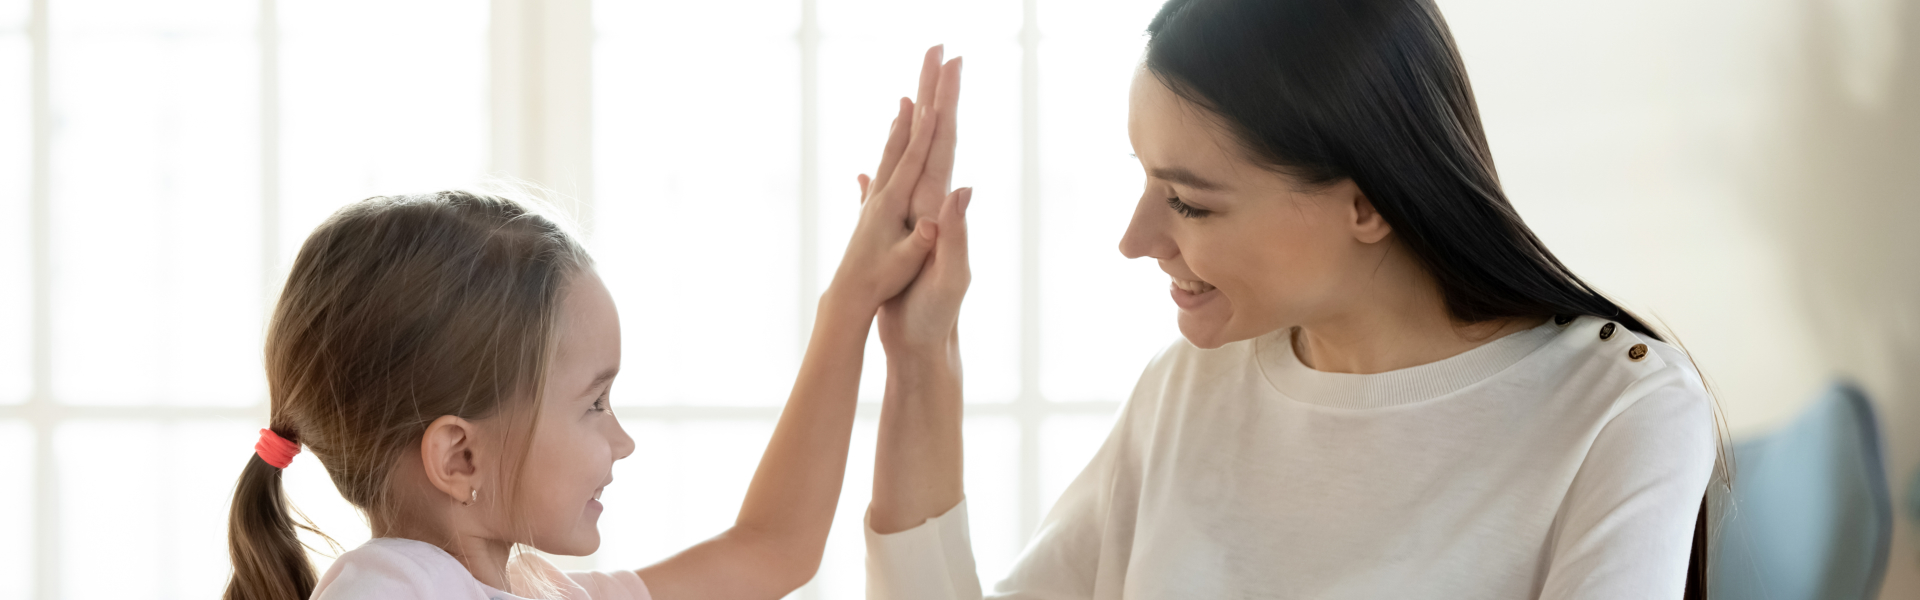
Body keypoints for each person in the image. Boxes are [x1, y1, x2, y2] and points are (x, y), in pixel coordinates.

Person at [863, 1, 1723, 598]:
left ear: (1368, 201)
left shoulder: (1621, 409)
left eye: (1190, 200)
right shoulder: (1190, 390)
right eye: (1147, 182)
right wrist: (920, 359)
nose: (1135, 239)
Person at [221, 48, 968, 600]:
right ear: (459, 457)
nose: (622, 439)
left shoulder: (540, 588)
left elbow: (774, 550)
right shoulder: (389, 589)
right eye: (594, 403)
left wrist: (852, 304)